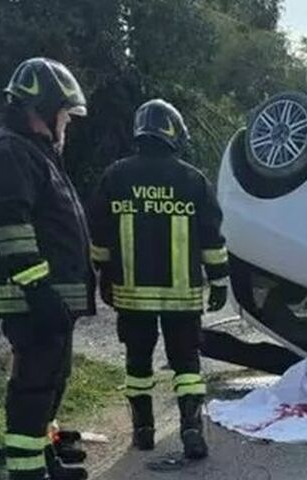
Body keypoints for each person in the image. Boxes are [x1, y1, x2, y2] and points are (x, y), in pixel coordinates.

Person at [0, 58, 93, 480]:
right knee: (32, 386)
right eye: (63, 113)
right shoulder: (9, 152)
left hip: (48, 296)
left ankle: (43, 459)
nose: (67, 123)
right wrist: (38, 288)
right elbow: (12, 228)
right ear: (42, 108)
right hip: (33, 297)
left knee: (51, 381)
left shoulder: (33, 151)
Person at [88, 99, 230, 459]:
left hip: (131, 296)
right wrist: (219, 281)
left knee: (137, 362)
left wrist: (103, 276)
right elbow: (212, 237)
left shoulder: (115, 176)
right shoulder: (192, 179)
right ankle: (191, 427)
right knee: (186, 364)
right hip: (181, 296)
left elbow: (99, 235)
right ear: (173, 133)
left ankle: (144, 430)